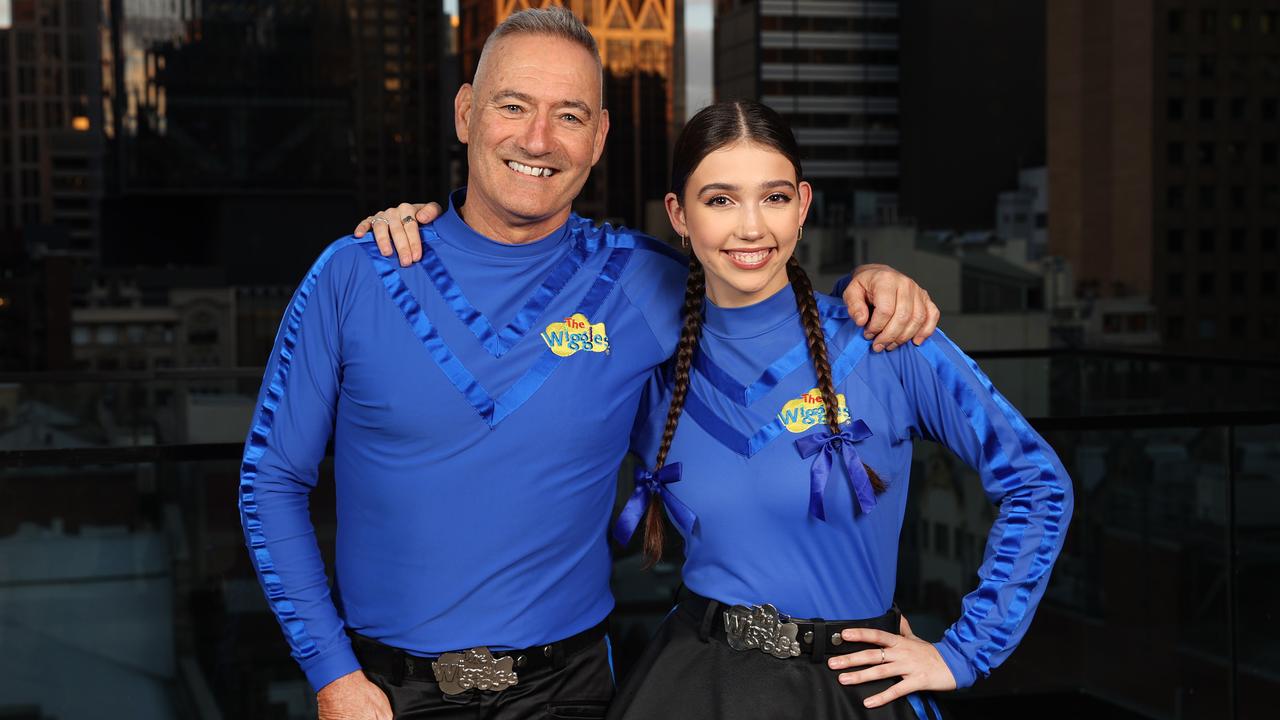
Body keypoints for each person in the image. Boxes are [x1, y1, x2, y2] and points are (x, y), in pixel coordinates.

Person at [241, 8, 938, 720]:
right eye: (513, 106)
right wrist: (332, 675)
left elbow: (769, 328)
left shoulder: (642, 281)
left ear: (599, 137)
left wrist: (878, 285)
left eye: (568, 115)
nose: (537, 139)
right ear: (466, 114)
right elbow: (270, 479)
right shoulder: (356, 275)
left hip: (568, 693)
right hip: (383, 695)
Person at [603, 101, 1073, 720]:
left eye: (772, 198)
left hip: (849, 694)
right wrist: (431, 221)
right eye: (719, 200)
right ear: (679, 215)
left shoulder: (882, 341)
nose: (751, 228)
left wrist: (965, 652)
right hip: (693, 683)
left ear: (802, 204)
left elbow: (1039, 484)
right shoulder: (654, 369)